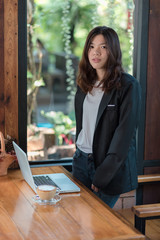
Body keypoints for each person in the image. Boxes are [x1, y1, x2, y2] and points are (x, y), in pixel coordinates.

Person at [72, 26, 141, 208]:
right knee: (78, 224)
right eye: (92, 46)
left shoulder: (128, 86)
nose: (96, 52)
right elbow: (83, 126)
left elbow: (123, 137)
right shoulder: (84, 84)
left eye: (103, 47)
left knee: (96, 226)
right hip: (81, 162)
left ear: (113, 50)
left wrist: (102, 175)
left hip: (107, 168)